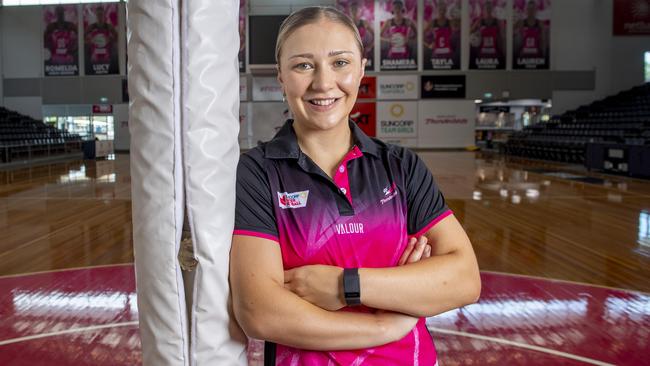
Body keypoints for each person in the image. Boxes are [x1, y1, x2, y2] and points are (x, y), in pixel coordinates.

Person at [230, 6, 480, 366]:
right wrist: (387, 324)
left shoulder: (400, 166)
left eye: (340, 63)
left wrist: (344, 286)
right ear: (281, 76)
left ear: (362, 68)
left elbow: (463, 279)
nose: (323, 83)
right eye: (303, 65)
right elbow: (260, 311)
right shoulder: (256, 173)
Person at [423, 0, 460, 68]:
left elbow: (460, 30)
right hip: (436, 55)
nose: (442, 11)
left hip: (448, 55)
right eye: (440, 9)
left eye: (443, 9)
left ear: (446, 10)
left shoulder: (450, 22)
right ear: (437, 10)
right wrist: (428, 45)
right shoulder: (433, 22)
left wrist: (458, 19)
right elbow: (420, 35)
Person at [469, 0, 504, 68]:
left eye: (489, 8)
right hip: (481, 51)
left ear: (492, 9)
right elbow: (469, 31)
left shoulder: (497, 21)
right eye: (486, 8)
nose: (488, 10)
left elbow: (502, 37)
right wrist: (476, 33)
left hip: (494, 51)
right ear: (483, 10)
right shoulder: (480, 21)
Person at [84, 6, 118, 74]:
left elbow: (116, 37)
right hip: (94, 57)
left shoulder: (109, 27)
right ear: (96, 15)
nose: (100, 17)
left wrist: (110, 40)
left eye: (101, 15)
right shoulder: (92, 27)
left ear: (104, 15)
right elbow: (83, 38)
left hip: (106, 56)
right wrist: (90, 41)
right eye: (98, 15)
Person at [513, 0, 547, 65]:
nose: (531, 11)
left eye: (533, 9)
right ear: (526, 10)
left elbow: (543, 40)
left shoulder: (540, 23)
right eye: (529, 9)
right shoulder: (522, 22)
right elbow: (510, 30)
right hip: (524, 52)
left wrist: (543, 55)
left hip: (536, 52)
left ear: (535, 10)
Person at [348, 1, 374, 66]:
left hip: (363, 51)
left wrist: (370, 46)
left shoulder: (364, 23)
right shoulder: (347, 23)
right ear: (350, 11)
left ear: (360, 11)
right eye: (352, 9)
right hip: (350, 50)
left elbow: (376, 35)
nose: (354, 12)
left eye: (356, 9)